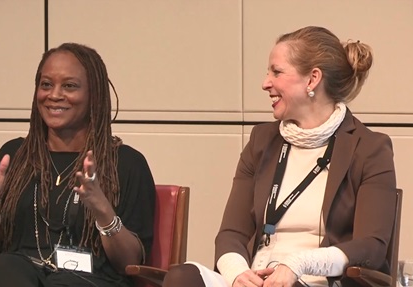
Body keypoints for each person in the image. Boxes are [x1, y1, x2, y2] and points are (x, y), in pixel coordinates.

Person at [163, 26, 397, 287]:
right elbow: (231, 233)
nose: (265, 83)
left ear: (312, 79)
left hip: (318, 281)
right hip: (259, 278)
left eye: (276, 72)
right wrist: (238, 274)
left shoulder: (369, 148)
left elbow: (372, 247)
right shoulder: (261, 141)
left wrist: (297, 264)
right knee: (182, 277)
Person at [0, 43, 156, 287]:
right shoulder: (14, 157)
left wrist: (102, 209)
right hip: (21, 275)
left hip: (92, 280)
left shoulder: (126, 163)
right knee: (2, 267)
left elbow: (130, 262)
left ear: (94, 95)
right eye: (46, 84)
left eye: (69, 86)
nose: (54, 94)